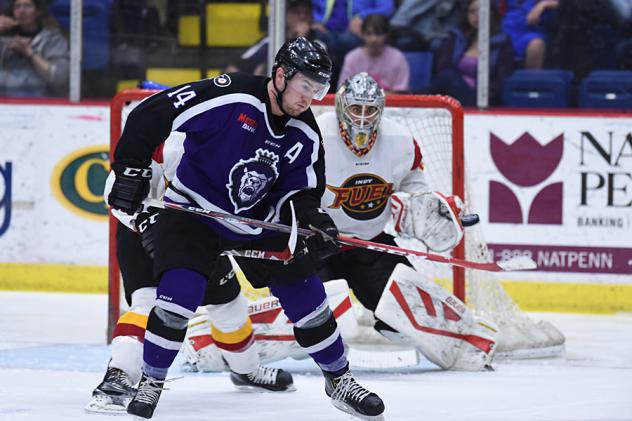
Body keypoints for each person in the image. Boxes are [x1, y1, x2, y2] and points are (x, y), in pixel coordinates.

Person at [106, 37, 385, 420]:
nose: (310, 98)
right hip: (195, 212)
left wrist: (315, 221)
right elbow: (151, 113)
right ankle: (152, 380)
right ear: (282, 74)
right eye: (306, 86)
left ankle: (340, 381)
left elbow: (303, 192)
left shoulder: (305, 133)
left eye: (318, 90)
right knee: (177, 295)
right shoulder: (232, 95)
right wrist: (131, 168)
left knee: (309, 299)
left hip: (259, 221)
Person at [220, 73, 497, 372]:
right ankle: (232, 342)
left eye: (370, 110)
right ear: (341, 107)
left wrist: (430, 208)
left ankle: (465, 340)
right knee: (322, 315)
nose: (363, 118)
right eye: (356, 109)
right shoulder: (311, 133)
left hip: (369, 243)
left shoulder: (401, 141)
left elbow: (413, 187)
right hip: (313, 244)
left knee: (407, 306)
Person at [89, 135, 295, 415]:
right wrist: (145, 221)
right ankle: (117, 378)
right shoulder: (147, 150)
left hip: (197, 232)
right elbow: (115, 195)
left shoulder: (215, 142)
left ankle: (246, 370)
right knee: (148, 303)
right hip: (139, 232)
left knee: (228, 304)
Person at [428, 0, 513, 106]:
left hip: (483, 98)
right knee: (447, 76)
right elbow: (442, 68)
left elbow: (500, 79)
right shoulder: (456, 38)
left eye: (481, 11)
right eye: (472, 11)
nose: (477, 15)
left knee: (448, 77)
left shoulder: (502, 42)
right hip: (453, 94)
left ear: (491, 13)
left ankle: (415, 101)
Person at [225, 0, 315, 76]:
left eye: (306, 13)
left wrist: (301, 41)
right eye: (296, 12)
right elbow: (233, 68)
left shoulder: (321, 39)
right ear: (286, 15)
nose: (302, 17)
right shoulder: (274, 38)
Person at [0, 0, 69, 97]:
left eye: (27, 6)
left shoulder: (53, 39)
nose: (22, 11)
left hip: (39, 103)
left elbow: (59, 77)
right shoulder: (4, 39)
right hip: (5, 102)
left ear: (37, 12)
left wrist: (29, 53)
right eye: (17, 6)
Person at [337, 13, 410, 93]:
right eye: (369, 34)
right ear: (362, 34)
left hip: (390, 104)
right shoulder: (352, 58)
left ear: (387, 35)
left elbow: (400, 92)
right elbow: (343, 90)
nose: (373, 39)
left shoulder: (398, 58)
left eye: (378, 34)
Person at [501, 0, 558, 69]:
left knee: (536, 46)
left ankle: (532, 78)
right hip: (508, 31)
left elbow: (566, 4)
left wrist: (543, 4)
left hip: (532, 32)